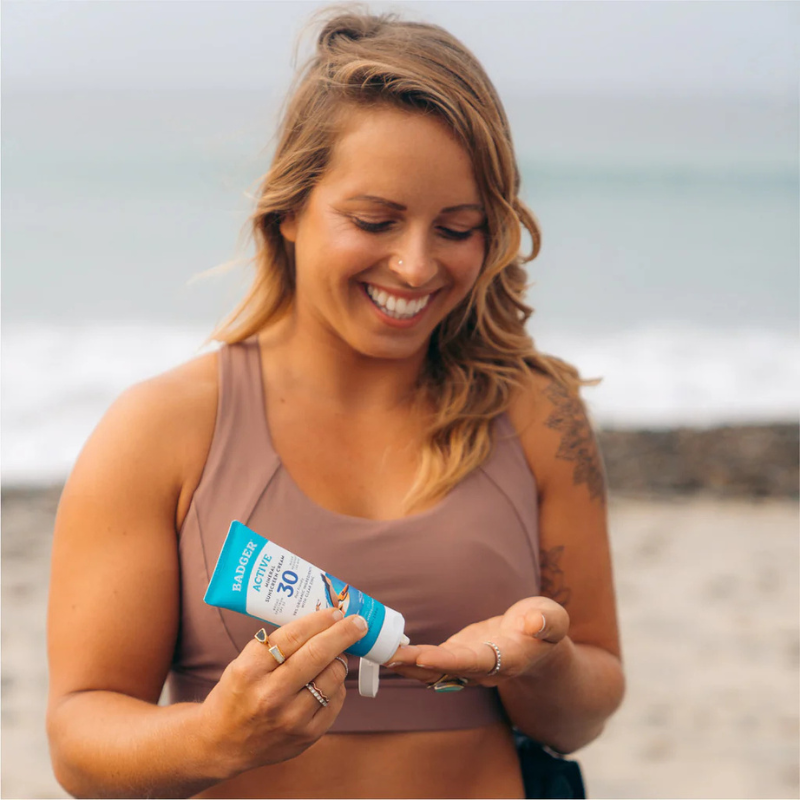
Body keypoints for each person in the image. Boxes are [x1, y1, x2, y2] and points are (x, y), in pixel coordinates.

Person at [46, 8, 624, 799]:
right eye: (375, 221)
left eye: (458, 228)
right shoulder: (162, 427)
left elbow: (583, 714)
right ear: (289, 208)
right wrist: (213, 738)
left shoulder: (535, 414)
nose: (416, 266)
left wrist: (541, 662)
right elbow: (79, 742)